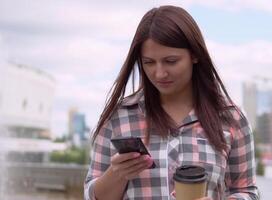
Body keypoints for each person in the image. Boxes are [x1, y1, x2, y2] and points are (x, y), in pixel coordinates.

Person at [84, 5, 259, 200]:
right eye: (149, 62)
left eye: (171, 61)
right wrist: (117, 173)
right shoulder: (119, 117)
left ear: (194, 55)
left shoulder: (231, 118)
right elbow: (92, 195)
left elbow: (247, 191)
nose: (159, 73)